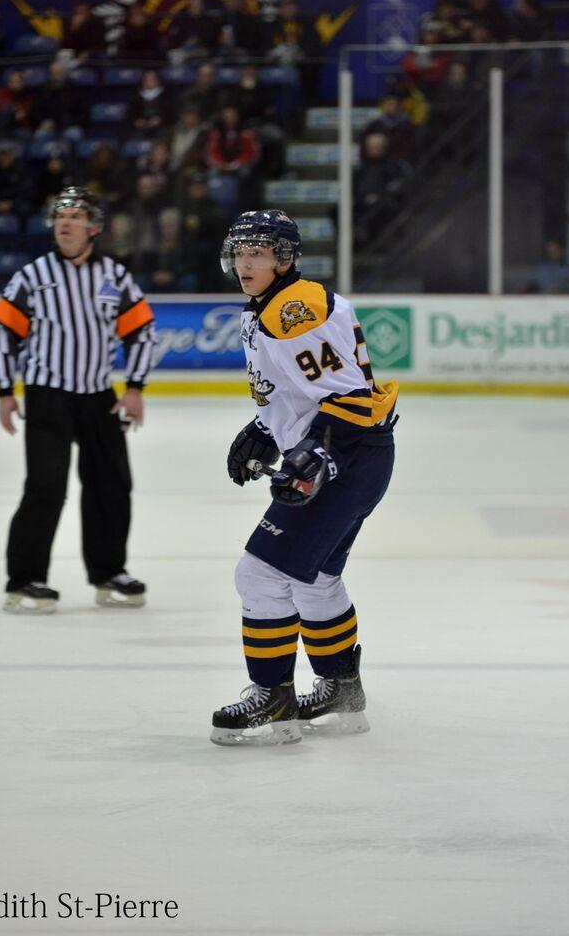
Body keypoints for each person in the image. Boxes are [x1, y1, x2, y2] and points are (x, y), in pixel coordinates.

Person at [211, 210, 398, 746]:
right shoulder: (268, 306)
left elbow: (350, 398)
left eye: (258, 252)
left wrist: (315, 450)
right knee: (314, 580)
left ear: (284, 258)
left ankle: (273, 699)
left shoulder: (293, 310)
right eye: (240, 252)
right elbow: (301, 391)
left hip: (346, 454)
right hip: (359, 454)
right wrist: (266, 428)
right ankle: (342, 690)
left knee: (259, 576)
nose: (245, 262)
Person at [0, 186, 156, 614]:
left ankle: (109, 573)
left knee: (111, 485)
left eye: (76, 216)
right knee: (45, 486)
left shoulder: (114, 277)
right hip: (47, 395)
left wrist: (134, 387)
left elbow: (141, 332)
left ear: (94, 228)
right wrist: (5, 391)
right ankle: (24, 580)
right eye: (61, 215)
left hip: (99, 396)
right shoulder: (32, 276)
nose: (66, 222)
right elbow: (2, 332)